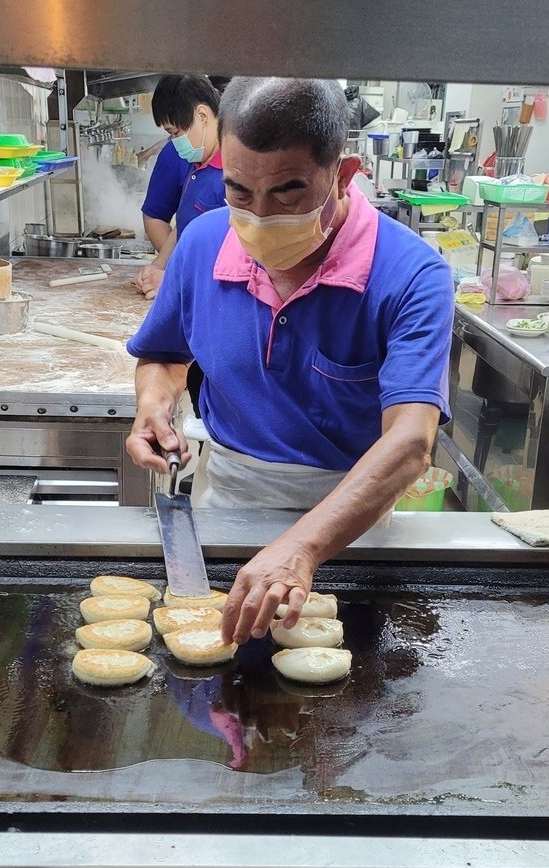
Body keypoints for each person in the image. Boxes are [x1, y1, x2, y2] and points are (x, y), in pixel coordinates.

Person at [125, 77, 453, 647]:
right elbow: (163, 353)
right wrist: (154, 407)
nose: (259, 216)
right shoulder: (202, 245)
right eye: (239, 192)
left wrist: (303, 547)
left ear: (342, 175)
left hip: (348, 527)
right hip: (226, 504)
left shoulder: (411, 275)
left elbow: (409, 443)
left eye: (289, 192)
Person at [134, 75, 226, 302]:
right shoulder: (198, 167)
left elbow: (237, 261)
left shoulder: (234, 175)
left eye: (176, 133)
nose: (175, 142)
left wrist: (172, 281)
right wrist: (158, 267)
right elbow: (183, 229)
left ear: (202, 116)